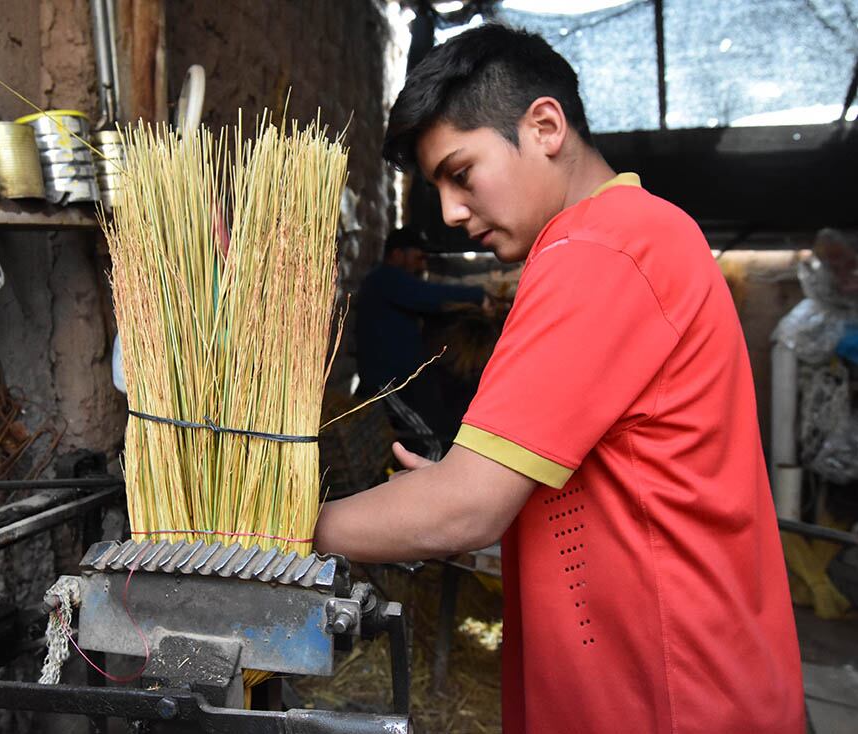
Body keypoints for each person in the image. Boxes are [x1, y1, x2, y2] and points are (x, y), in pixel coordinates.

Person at [314, 22, 804, 734]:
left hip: (666, 696)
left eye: (460, 172)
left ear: (545, 125)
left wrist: (283, 532)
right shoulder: (643, 234)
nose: (450, 212)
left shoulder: (598, 250)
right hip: (684, 675)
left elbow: (467, 508)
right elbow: (590, 479)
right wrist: (462, 485)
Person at [355, 227, 486, 439]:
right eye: (418, 258)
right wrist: (479, 294)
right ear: (397, 254)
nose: (422, 265)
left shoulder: (393, 284)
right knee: (430, 438)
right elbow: (427, 296)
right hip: (388, 385)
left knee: (435, 430)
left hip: (404, 381)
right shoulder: (385, 279)